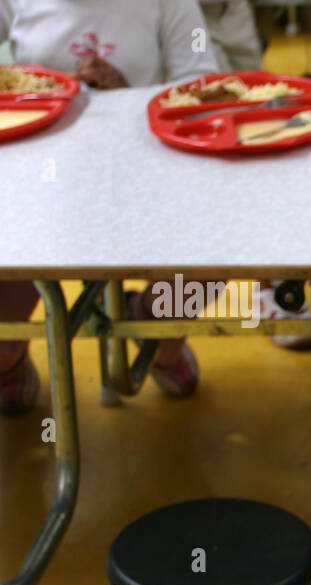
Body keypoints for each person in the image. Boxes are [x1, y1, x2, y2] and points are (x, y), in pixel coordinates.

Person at [0, 0, 217, 412]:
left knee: (214, 264)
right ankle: (8, 360)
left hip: (146, 177)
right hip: (35, 182)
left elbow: (202, 84)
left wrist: (131, 101)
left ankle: (153, 329)